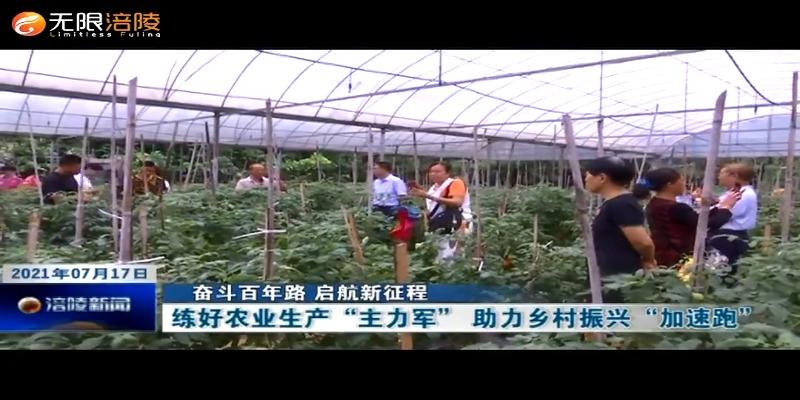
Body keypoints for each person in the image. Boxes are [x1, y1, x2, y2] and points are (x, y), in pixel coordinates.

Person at [633, 167, 739, 267]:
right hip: (680, 256)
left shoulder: (654, 203)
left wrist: (719, 207)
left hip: (663, 253)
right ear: (669, 184)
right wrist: (726, 208)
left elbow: (695, 218)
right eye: (681, 180)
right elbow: (704, 224)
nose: (684, 184)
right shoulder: (675, 207)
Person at [584, 156, 656, 276]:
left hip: (619, 276)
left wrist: (649, 261)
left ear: (602, 178)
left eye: (588, 175)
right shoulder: (616, 202)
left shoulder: (621, 204)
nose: (586, 179)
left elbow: (643, 242)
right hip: (611, 274)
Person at [409, 161, 473, 262]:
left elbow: (457, 202)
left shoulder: (455, 183)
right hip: (440, 224)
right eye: (431, 172)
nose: (433, 174)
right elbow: (434, 206)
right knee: (439, 255)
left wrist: (427, 196)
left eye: (437, 171)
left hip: (456, 224)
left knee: (450, 257)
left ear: (447, 173)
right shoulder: (434, 187)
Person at [708, 163, 758, 272]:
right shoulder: (735, 192)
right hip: (726, 236)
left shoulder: (742, 194)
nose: (719, 177)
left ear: (734, 176)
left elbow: (723, 215)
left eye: (722, 173)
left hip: (728, 238)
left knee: (721, 271)